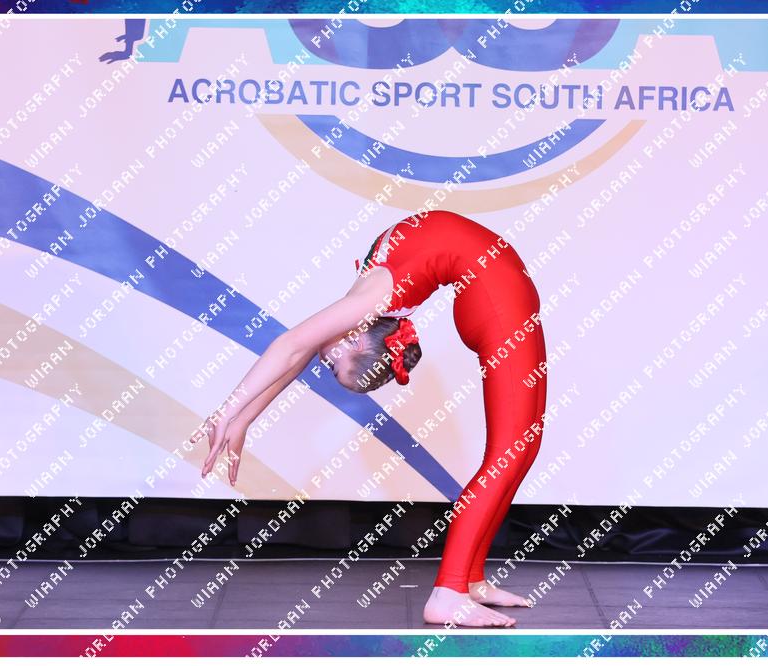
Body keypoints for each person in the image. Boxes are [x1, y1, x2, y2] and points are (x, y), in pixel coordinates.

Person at [190, 209, 548, 627]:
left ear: (358, 340)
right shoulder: (366, 299)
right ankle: (452, 590)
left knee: (517, 451)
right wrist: (243, 419)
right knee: (511, 453)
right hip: (499, 291)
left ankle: (464, 584)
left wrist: (230, 411)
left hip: (498, 295)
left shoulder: (370, 298)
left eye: (332, 366)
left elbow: (293, 346)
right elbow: (299, 353)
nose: (323, 361)